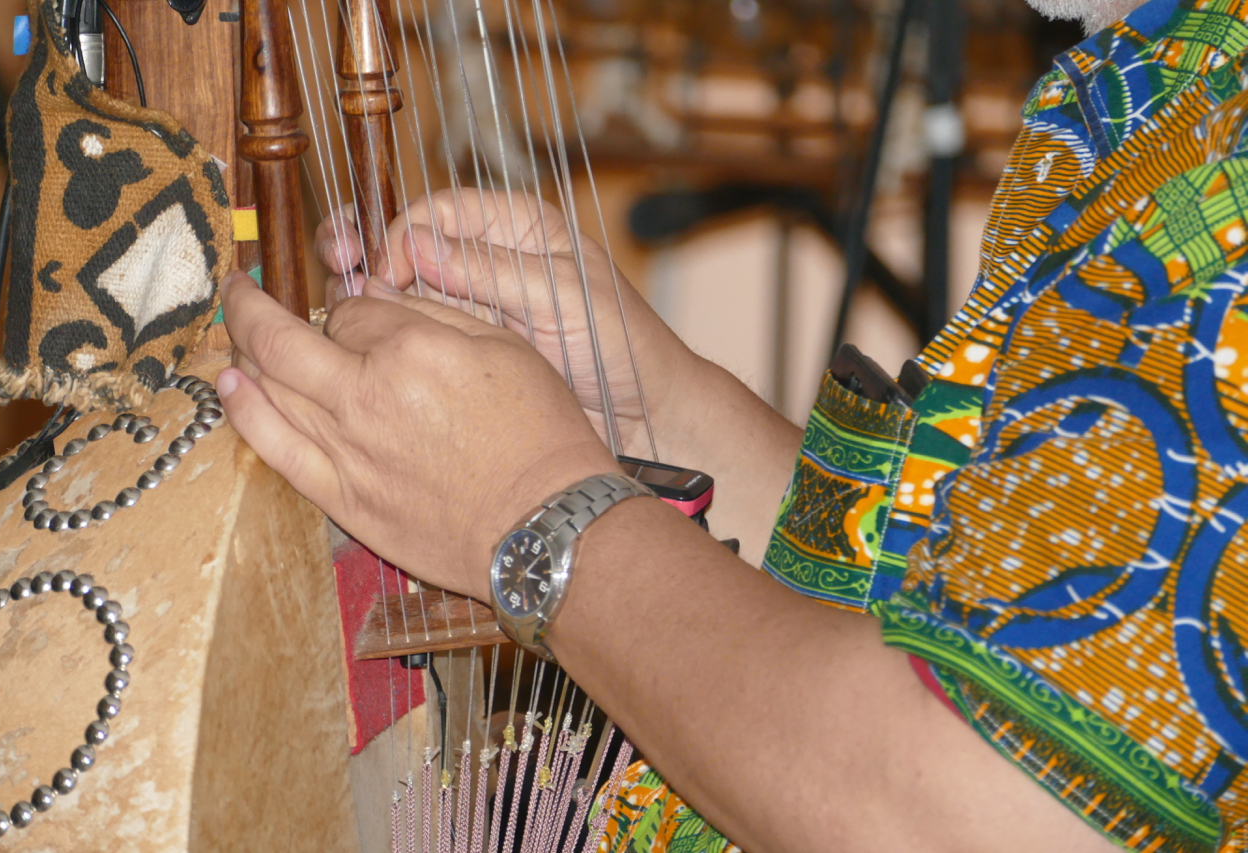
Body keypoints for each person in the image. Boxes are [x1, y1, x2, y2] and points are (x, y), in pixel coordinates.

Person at [216, 0, 1248, 846]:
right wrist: (663, 414)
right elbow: (971, 617)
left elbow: (979, 810)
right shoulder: (1162, 73)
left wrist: (532, 505)